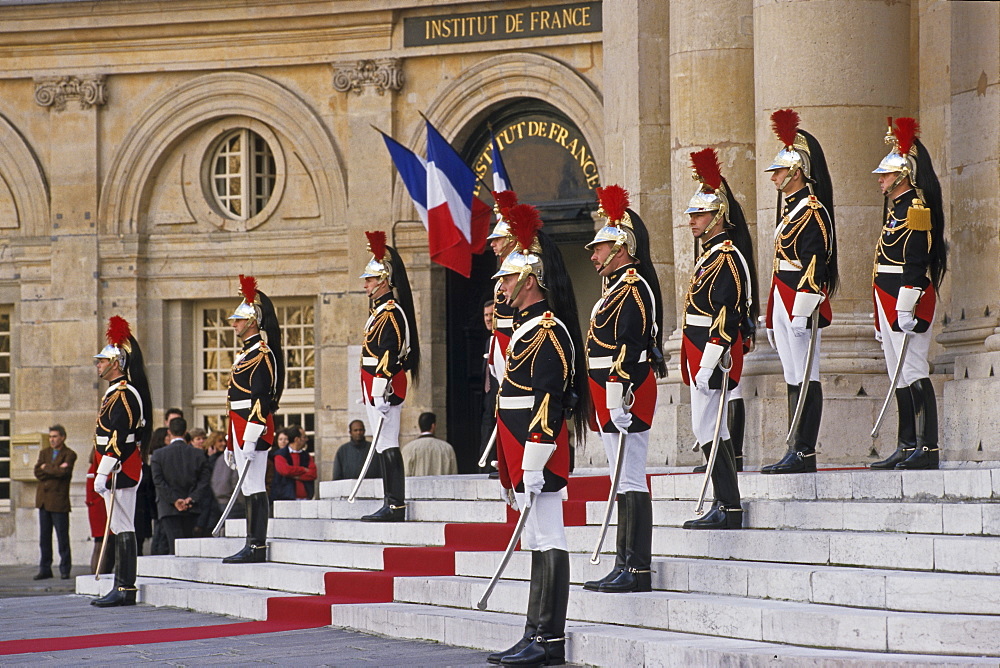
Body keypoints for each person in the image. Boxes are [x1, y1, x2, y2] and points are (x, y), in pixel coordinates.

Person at [489, 203, 589, 666]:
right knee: (536, 539)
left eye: (507, 279)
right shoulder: (528, 328)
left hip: (539, 454)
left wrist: (531, 461)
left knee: (551, 537)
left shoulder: (548, 330)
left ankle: (549, 639)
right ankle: (534, 631)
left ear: (529, 281)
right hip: (521, 453)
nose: (501, 285)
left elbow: (548, 402)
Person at [581, 185, 667, 594]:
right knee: (621, 480)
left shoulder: (632, 289)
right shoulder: (614, 290)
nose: (593, 255)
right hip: (609, 394)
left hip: (626, 394)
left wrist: (617, 396)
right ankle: (624, 564)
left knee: (631, 479)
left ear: (620, 248)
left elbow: (630, 348)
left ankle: (636, 568)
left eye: (599, 248)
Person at [679, 148, 758, 530]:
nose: (693, 221)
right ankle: (726, 503)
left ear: (718, 217)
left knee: (707, 426)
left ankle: (728, 504)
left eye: (699, 215)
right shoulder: (710, 255)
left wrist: (709, 361)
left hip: (712, 352)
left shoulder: (725, 256)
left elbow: (726, 316)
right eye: (693, 215)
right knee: (712, 427)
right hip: (700, 349)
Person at [761, 109, 838, 474]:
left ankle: (805, 450)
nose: (774, 176)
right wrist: (774, 311)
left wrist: (801, 310)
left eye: (779, 170)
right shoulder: (792, 212)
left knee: (807, 375)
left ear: (797, 171)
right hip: (783, 297)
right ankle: (795, 445)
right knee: (792, 375)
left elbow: (815, 264)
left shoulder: (813, 212)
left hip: (800, 302)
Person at [869, 117, 947, 470]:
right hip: (887, 299)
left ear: (902, 178)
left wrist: (905, 307)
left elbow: (916, 265)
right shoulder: (894, 213)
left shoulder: (915, 212)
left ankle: (927, 446)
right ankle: (906, 443)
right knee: (897, 373)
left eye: (885, 176)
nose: (881, 180)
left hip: (906, 300)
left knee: (914, 369)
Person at [358, 231, 421, 522]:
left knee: (388, 443)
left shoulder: (391, 313)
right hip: (375, 385)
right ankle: (390, 501)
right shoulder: (380, 311)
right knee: (383, 444)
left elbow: (389, 353)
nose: (367, 285)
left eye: (370, 280)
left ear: (383, 281)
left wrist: (380, 389)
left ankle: (395, 504)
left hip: (385, 386)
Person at [91, 315, 153, 607]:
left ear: (116, 364)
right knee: (120, 526)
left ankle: (125, 587)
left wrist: (103, 473)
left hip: (120, 468)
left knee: (123, 526)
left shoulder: (125, 395)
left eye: (102, 361)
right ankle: (122, 585)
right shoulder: (114, 393)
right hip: (116, 467)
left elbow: (117, 437)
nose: (99, 365)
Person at [222, 275, 284, 564]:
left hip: (251, 428)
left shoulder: (260, 353)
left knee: (255, 485)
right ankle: (252, 543)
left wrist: (250, 435)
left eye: (238, 319)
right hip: (239, 426)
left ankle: (256, 545)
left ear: (251, 322)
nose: (233, 323)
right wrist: (229, 440)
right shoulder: (245, 353)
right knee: (249, 487)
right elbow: (232, 401)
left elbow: (260, 398)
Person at [482, 192, 519, 473]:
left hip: (512, 343)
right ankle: (504, 456)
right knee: (501, 401)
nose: (493, 245)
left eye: (497, 239)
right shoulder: (504, 271)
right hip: (499, 342)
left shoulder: (520, 267)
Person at [150, 416, 212, 554]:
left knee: (173, 547)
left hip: (168, 508)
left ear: (169, 432)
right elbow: (204, 480)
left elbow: (158, 481)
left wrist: (174, 500)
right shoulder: (198, 454)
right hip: (192, 506)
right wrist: (191, 498)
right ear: (185, 433)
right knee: (189, 548)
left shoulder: (158, 455)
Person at [33, 424, 77, 580]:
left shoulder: (69, 454)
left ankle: (65, 568)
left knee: (62, 537)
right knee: (44, 537)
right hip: (44, 501)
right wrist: (53, 468)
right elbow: (37, 471)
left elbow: (63, 473)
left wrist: (48, 468)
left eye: (55, 436)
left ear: (62, 437)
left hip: (58, 501)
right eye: (50, 436)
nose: (52, 439)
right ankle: (45, 568)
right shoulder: (44, 453)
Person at [85, 447, 115, 574]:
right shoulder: (97, 469)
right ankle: (98, 574)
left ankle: (99, 573)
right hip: (101, 509)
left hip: (98, 509)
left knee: (102, 544)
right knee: (102, 545)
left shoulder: (93, 468)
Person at [401, 412, 457, 477]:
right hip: (441, 486)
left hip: (418, 486)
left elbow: (405, 474)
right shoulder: (447, 448)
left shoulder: (408, 449)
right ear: (433, 426)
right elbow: (453, 475)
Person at [271, 425, 318, 500]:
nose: (306, 439)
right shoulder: (280, 454)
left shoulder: (306, 456)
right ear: (297, 439)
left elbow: (313, 474)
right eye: (304, 437)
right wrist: (303, 470)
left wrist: (295, 476)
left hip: (306, 498)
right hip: (285, 498)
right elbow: (285, 470)